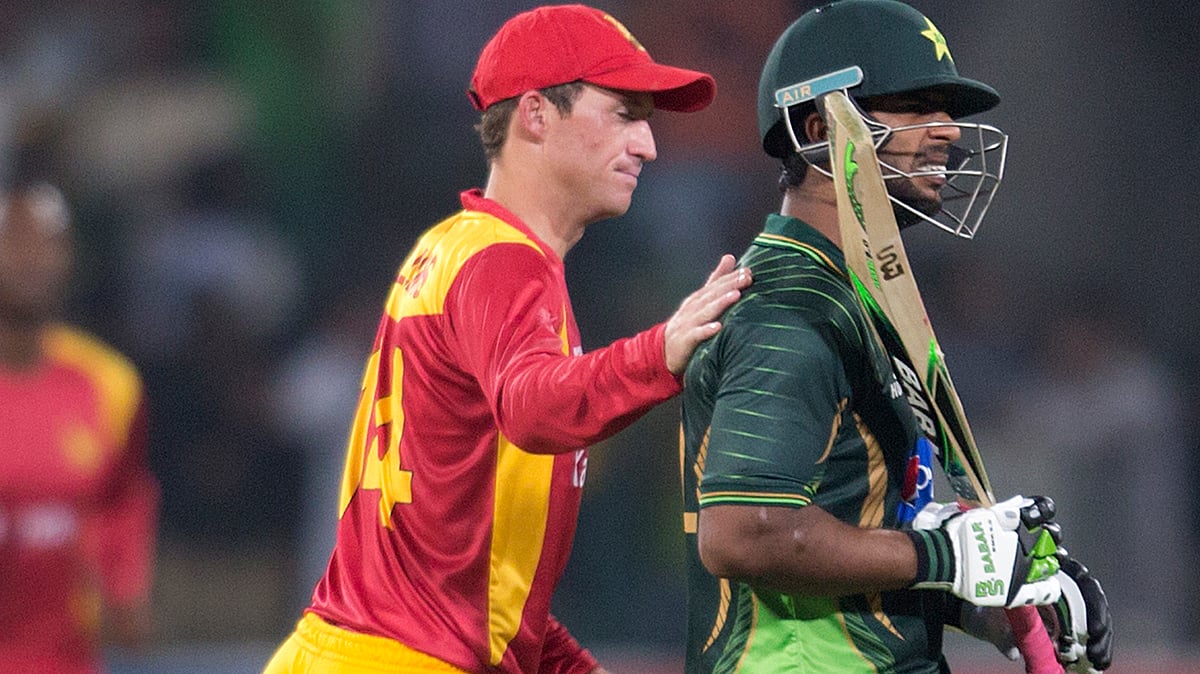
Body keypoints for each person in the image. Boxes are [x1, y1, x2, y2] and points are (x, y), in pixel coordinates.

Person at [263, 5, 751, 674]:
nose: (648, 145)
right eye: (623, 114)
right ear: (536, 115)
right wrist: (660, 351)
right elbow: (533, 409)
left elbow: (472, 576)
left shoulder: (453, 249)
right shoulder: (505, 263)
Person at [679, 1, 1112, 672]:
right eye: (914, 106)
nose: (948, 134)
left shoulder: (854, 291)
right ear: (819, 125)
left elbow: (845, 521)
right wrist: (951, 557)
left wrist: (976, 599)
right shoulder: (791, 310)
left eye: (947, 112)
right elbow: (745, 535)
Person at [0, 179, 159, 673]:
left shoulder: (110, 384)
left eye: (51, 242)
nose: (35, 258)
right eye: (16, 240)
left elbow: (125, 497)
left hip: (66, 661)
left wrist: (125, 587)